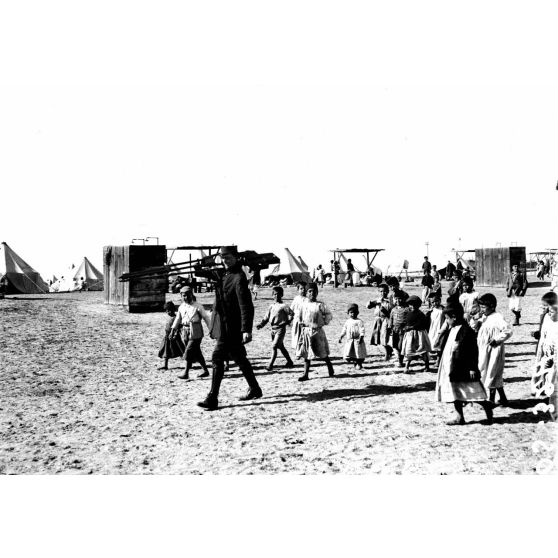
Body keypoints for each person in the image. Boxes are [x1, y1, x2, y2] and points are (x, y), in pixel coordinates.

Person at [197, 246, 262, 410]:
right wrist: (201, 265)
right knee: (239, 358)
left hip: (232, 327)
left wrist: (246, 329)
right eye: (222, 258)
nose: (225, 260)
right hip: (223, 323)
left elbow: (246, 305)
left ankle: (212, 398)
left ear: (236, 258)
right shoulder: (223, 273)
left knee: (217, 357)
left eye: (228, 257)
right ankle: (254, 388)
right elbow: (202, 273)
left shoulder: (238, 277)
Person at [435, 302, 494, 425]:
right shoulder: (452, 329)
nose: (446, 321)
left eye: (447, 319)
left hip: (462, 366)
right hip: (450, 365)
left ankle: (486, 405)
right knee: (454, 391)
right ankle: (459, 417)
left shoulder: (466, 331)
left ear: (454, 317)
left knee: (471, 391)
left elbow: (473, 351)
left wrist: (472, 367)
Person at [472, 293, 513, 405]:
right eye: (481, 307)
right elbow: (473, 328)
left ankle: (491, 399)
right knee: (486, 371)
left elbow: (508, 330)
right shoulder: (484, 317)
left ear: (492, 307)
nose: (482, 309)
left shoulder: (498, 317)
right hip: (483, 349)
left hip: (494, 349)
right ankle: (503, 398)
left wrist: (497, 339)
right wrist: (475, 319)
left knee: (492, 372)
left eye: (484, 307)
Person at [295, 282, 335, 381]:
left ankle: (329, 366)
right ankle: (305, 374)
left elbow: (328, 314)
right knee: (306, 353)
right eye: (310, 291)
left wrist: (324, 322)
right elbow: (298, 315)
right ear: (306, 293)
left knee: (322, 352)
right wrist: (300, 322)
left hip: (317, 331)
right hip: (307, 331)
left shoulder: (320, 305)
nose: (312, 294)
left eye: (314, 292)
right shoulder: (303, 305)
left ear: (317, 293)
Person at [171, 286, 211, 380]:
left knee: (189, 351)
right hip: (184, 331)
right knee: (196, 351)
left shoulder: (198, 306)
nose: (185, 298)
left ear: (191, 295)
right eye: (183, 296)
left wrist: (211, 329)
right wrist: (173, 330)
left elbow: (206, 318)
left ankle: (186, 372)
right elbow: (178, 319)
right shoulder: (181, 307)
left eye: (187, 295)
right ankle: (205, 370)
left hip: (196, 331)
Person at [256, 286, 294, 371]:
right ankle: (290, 361)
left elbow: (292, 314)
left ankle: (270, 365)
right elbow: (266, 317)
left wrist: (287, 321)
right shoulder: (271, 306)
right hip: (273, 329)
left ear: (282, 295)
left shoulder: (284, 306)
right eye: (274, 294)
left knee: (274, 346)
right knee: (281, 347)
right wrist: (261, 325)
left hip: (280, 329)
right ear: (272, 295)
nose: (276, 296)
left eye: (278, 294)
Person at [532, 292, 558, 398]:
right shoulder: (546, 317)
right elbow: (543, 333)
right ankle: (541, 388)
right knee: (543, 369)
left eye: (545, 306)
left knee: (553, 372)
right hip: (545, 348)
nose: (544, 308)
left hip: (555, 350)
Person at [401, 295, 431, 372]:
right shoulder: (408, 313)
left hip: (420, 334)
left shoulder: (421, 314)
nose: (413, 306)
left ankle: (427, 366)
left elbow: (422, 324)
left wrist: (411, 327)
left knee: (423, 351)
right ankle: (406, 367)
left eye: (415, 304)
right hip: (410, 335)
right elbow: (405, 322)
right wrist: (404, 327)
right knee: (408, 351)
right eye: (411, 304)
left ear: (419, 305)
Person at [367, 283, 393, 361]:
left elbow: (391, 310)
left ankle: (387, 353)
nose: (382, 293)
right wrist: (371, 303)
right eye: (381, 291)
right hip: (378, 320)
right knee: (378, 337)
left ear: (388, 291)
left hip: (386, 319)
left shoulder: (389, 301)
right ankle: (388, 350)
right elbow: (369, 306)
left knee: (384, 336)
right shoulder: (378, 300)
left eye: (384, 291)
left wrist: (385, 308)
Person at [158, 301, 186, 370]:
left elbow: (179, 326)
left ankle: (189, 363)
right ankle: (165, 365)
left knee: (181, 350)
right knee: (166, 351)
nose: (167, 312)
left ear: (173, 310)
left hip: (175, 337)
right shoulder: (170, 317)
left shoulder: (176, 317)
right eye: (167, 311)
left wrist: (175, 333)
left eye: (169, 311)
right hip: (167, 337)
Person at [338, 303, 366, 369]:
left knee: (358, 353)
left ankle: (359, 363)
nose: (352, 314)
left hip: (357, 340)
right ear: (348, 313)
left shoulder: (359, 321)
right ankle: (355, 363)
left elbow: (362, 329)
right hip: (350, 340)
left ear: (357, 313)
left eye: (354, 312)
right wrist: (341, 336)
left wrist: (361, 337)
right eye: (351, 312)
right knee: (352, 352)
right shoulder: (348, 321)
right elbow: (344, 329)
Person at [388, 289, 410, 367]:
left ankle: (401, 361)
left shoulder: (407, 309)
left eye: (399, 298)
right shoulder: (393, 310)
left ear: (404, 299)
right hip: (395, 330)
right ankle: (399, 358)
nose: (398, 300)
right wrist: (390, 328)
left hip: (403, 331)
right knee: (395, 345)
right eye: (396, 298)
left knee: (401, 346)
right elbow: (391, 319)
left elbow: (409, 319)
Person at [427, 292, 445, 367]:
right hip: (432, 330)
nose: (434, 303)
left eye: (436, 301)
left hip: (440, 329)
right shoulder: (431, 311)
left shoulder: (443, 310)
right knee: (431, 343)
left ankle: (438, 361)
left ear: (440, 301)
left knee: (439, 346)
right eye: (432, 302)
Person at [290, 282, 307, 351]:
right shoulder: (296, 299)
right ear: (298, 290)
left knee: (305, 336)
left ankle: (304, 350)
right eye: (301, 289)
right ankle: (298, 350)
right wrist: (290, 319)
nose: (303, 290)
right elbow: (291, 310)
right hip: (297, 320)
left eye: (305, 289)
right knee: (297, 335)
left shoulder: (307, 299)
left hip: (305, 320)